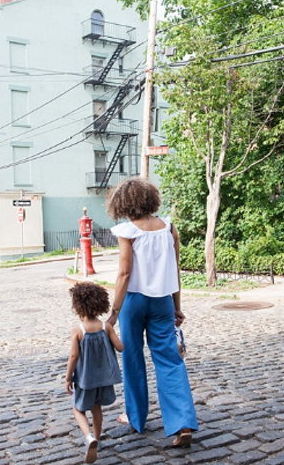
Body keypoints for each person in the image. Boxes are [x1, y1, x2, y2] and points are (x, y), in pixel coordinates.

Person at [106, 177, 198, 447]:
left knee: (133, 358)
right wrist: (177, 306)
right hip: (162, 302)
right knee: (170, 360)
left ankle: (136, 418)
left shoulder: (127, 231)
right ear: (150, 199)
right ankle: (181, 423)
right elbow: (175, 269)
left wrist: (113, 313)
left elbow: (124, 273)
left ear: (123, 203)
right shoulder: (168, 227)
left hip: (134, 302)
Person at [65, 282, 124, 463]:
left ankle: (89, 437)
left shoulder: (78, 330)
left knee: (78, 408)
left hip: (85, 380)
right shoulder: (105, 327)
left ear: (78, 308)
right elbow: (120, 347)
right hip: (104, 379)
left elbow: (74, 355)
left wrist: (68, 378)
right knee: (96, 408)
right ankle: (97, 438)